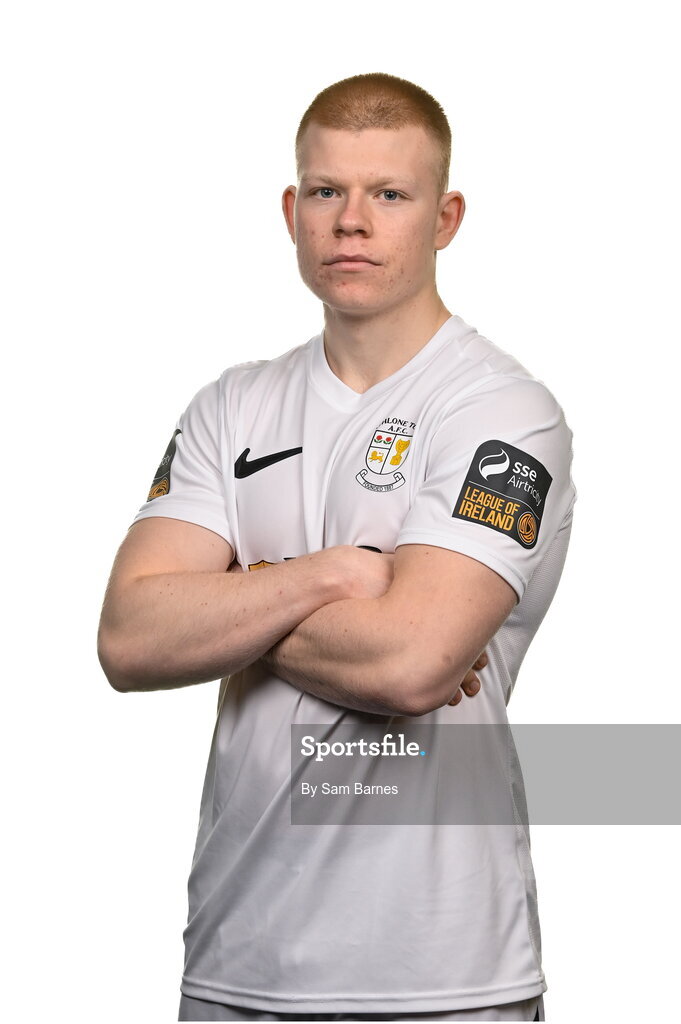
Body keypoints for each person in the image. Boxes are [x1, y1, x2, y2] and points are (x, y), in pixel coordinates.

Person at [98, 72, 575, 1022]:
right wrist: (324, 576)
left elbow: (409, 661)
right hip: (239, 963)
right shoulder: (230, 404)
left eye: (388, 195)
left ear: (445, 217)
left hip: (443, 974)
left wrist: (233, 595)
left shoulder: (503, 414)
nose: (350, 221)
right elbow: (128, 639)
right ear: (292, 210)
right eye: (326, 192)